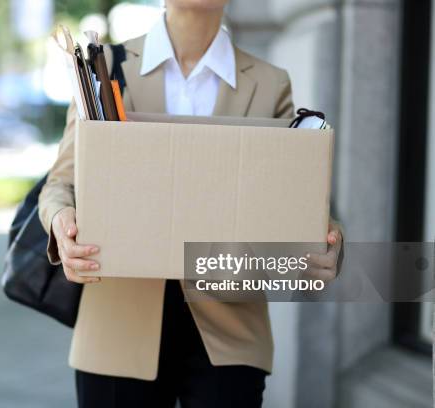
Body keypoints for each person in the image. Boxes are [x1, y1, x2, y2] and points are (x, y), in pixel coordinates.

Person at [39, 1, 343, 406]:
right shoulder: (103, 67)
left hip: (230, 331)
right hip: (117, 327)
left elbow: (296, 194)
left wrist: (329, 241)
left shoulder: (271, 83)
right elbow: (61, 183)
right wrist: (62, 220)